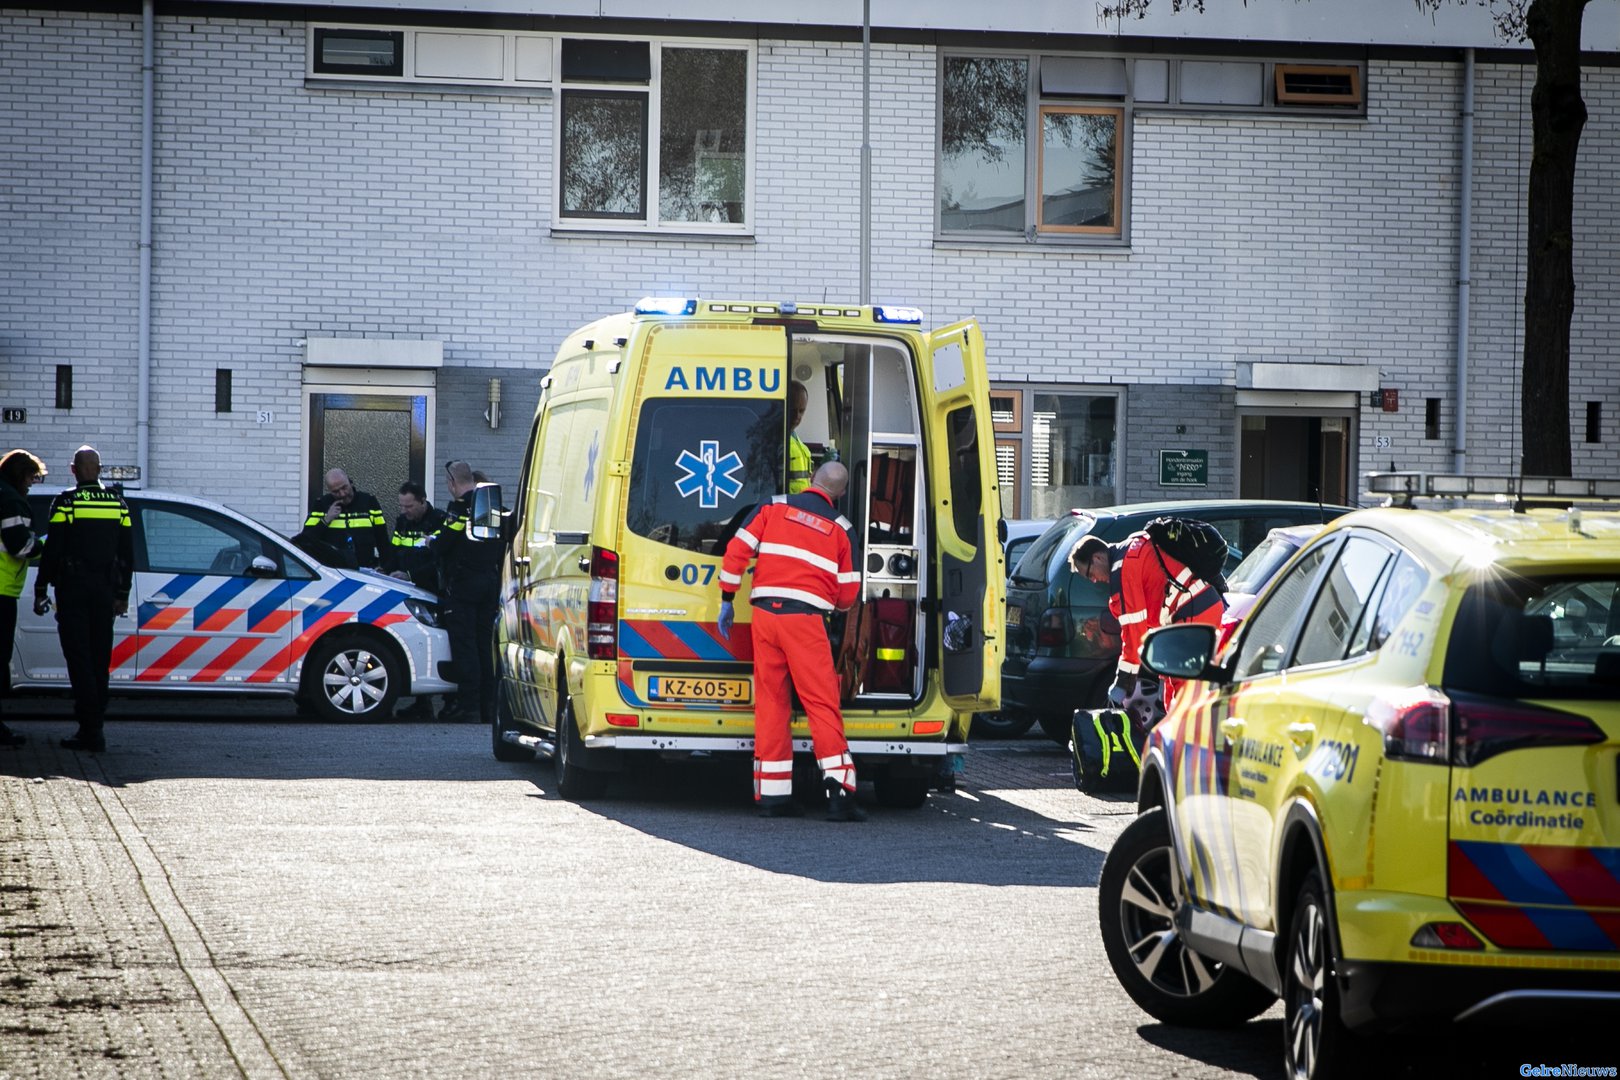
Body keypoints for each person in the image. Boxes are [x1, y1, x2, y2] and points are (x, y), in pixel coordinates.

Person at [717, 461, 865, 821]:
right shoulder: (841, 529)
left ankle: (773, 796)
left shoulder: (773, 506)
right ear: (841, 494)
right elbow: (849, 594)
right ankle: (840, 794)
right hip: (805, 621)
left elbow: (737, 552)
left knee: (771, 702)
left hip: (765, 617)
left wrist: (727, 599)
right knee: (821, 703)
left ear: (811, 477)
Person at [1069, 528, 1225, 728]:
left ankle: (1191, 748)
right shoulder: (1131, 549)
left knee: (1185, 693)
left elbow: (1134, 633)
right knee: (1176, 691)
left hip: (1193, 612)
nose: (1093, 580)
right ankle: (1178, 745)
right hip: (1194, 610)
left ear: (1097, 557)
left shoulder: (1123, 569)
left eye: (1090, 573)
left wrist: (1122, 683)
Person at [33, 446, 133, 754]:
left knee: (79, 658)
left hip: (73, 590)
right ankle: (95, 725)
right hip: (105, 591)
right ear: (99, 469)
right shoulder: (118, 503)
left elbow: (53, 550)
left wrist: (40, 588)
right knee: (100, 658)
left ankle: (90, 730)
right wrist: (122, 594)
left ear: (74, 470)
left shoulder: (67, 502)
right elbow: (127, 554)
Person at [424, 460, 502, 724]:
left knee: (465, 646)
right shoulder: (489, 505)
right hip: (489, 583)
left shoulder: (458, 509)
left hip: (463, 586)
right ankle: (488, 707)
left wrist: (431, 543)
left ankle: (469, 706)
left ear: (451, 482)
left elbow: (445, 543)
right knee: (484, 645)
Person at [388, 481, 448, 720]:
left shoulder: (440, 521)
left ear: (423, 501)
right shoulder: (403, 522)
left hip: (433, 591)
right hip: (407, 589)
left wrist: (412, 574)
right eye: (402, 505)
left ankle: (443, 701)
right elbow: (394, 552)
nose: (404, 511)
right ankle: (421, 704)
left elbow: (438, 561)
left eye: (409, 506)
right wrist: (385, 568)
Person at [1, 449, 48, 748]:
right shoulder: (11, 500)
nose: (32, 484)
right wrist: (46, 545)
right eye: (31, 477)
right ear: (20, 474)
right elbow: (20, 545)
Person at [296, 468, 389, 570]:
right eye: (336, 492)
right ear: (329, 490)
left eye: (344, 488)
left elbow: (382, 539)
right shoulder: (321, 505)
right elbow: (305, 540)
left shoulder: (369, 502)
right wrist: (326, 519)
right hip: (334, 573)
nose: (342, 494)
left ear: (351, 482)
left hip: (366, 570)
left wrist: (386, 568)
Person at [787, 380, 813, 495]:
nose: (797, 416)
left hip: (798, 505)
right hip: (785, 506)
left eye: (801, 411)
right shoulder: (776, 439)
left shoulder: (795, 439)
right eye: (793, 410)